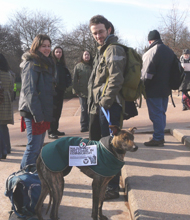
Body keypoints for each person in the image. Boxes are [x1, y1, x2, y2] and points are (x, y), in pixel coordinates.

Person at [88, 15, 126, 200]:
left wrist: (105, 102)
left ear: (109, 29)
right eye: (94, 33)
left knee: (111, 148)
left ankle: (112, 187)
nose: (98, 35)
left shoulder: (113, 49)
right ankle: (106, 181)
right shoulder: (102, 50)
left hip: (109, 107)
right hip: (102, 106)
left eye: (101, 31)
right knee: (102, 146)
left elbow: (116, 78)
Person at [19, 34, 55, 169]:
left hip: (41, 111)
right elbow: (29, 91)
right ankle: (24, 178)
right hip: (32, 112)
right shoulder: (31, 63)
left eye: (49, 46)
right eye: (43, 46)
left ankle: (32, 175)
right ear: (36, 46)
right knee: (33, 147)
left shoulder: (45, 63)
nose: (47, 49)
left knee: (38, 147)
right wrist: (38, 115)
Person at [141, 30, 174, 147]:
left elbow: (147, 73)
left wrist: (143, 86)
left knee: (156, 114)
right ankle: (159, 135)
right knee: (161, 113)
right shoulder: (169, 51)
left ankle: (158, 138)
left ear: (150, 41)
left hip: (153, 89)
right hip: (166, 88)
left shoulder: (151, 52)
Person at [48, 46, 71, 139]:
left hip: (61, 90)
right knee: (52, 112)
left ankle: (55, 129)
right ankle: (50, 131)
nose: (58, 54)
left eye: (60, 52)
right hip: (53, 91)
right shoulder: (51, 64)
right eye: (57, 52)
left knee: (58, 111)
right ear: (53, 53)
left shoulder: (62, 64)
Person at [72, 51, 93, 132]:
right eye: (85, 54)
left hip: (92, 92)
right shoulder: (78, 66)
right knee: (84, 109)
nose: (87, 56)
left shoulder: (93, 65)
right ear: (82, 56)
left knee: (92, 109)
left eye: (88, 54)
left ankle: (91, 125)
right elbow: (75, 79)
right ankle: (84, 126)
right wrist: (75, 90)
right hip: (82, 92)